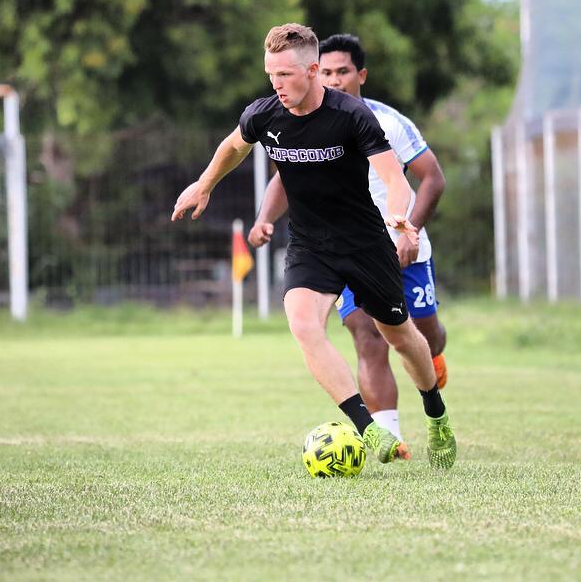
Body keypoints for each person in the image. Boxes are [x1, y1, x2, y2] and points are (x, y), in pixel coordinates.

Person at [172, 23, 456, 469]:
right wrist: (204, 185)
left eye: (285, 75)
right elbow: (234, 146)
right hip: (309, 245)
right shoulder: (265, 115)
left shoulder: (352, 116)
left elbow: (392, 177)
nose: (277, 85)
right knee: (304, 326)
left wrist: (401, 219)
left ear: (312, 70)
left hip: (365, 244)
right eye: (271, 76)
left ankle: (436, 415)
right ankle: (369, 428)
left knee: (402, 338)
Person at [249, 33, 447, 442]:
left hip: (397, 240)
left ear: (361, 75)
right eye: (331, 71)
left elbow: (429, 179)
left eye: (343, 71)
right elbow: (287, 175)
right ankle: (383, 433)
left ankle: (433, 378)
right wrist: (264, 218)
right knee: (364, 333)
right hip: (333, 246)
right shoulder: (296, 115)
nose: (336, 79)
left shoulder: (384, 121)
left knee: (418, 336)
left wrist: (408, 228)